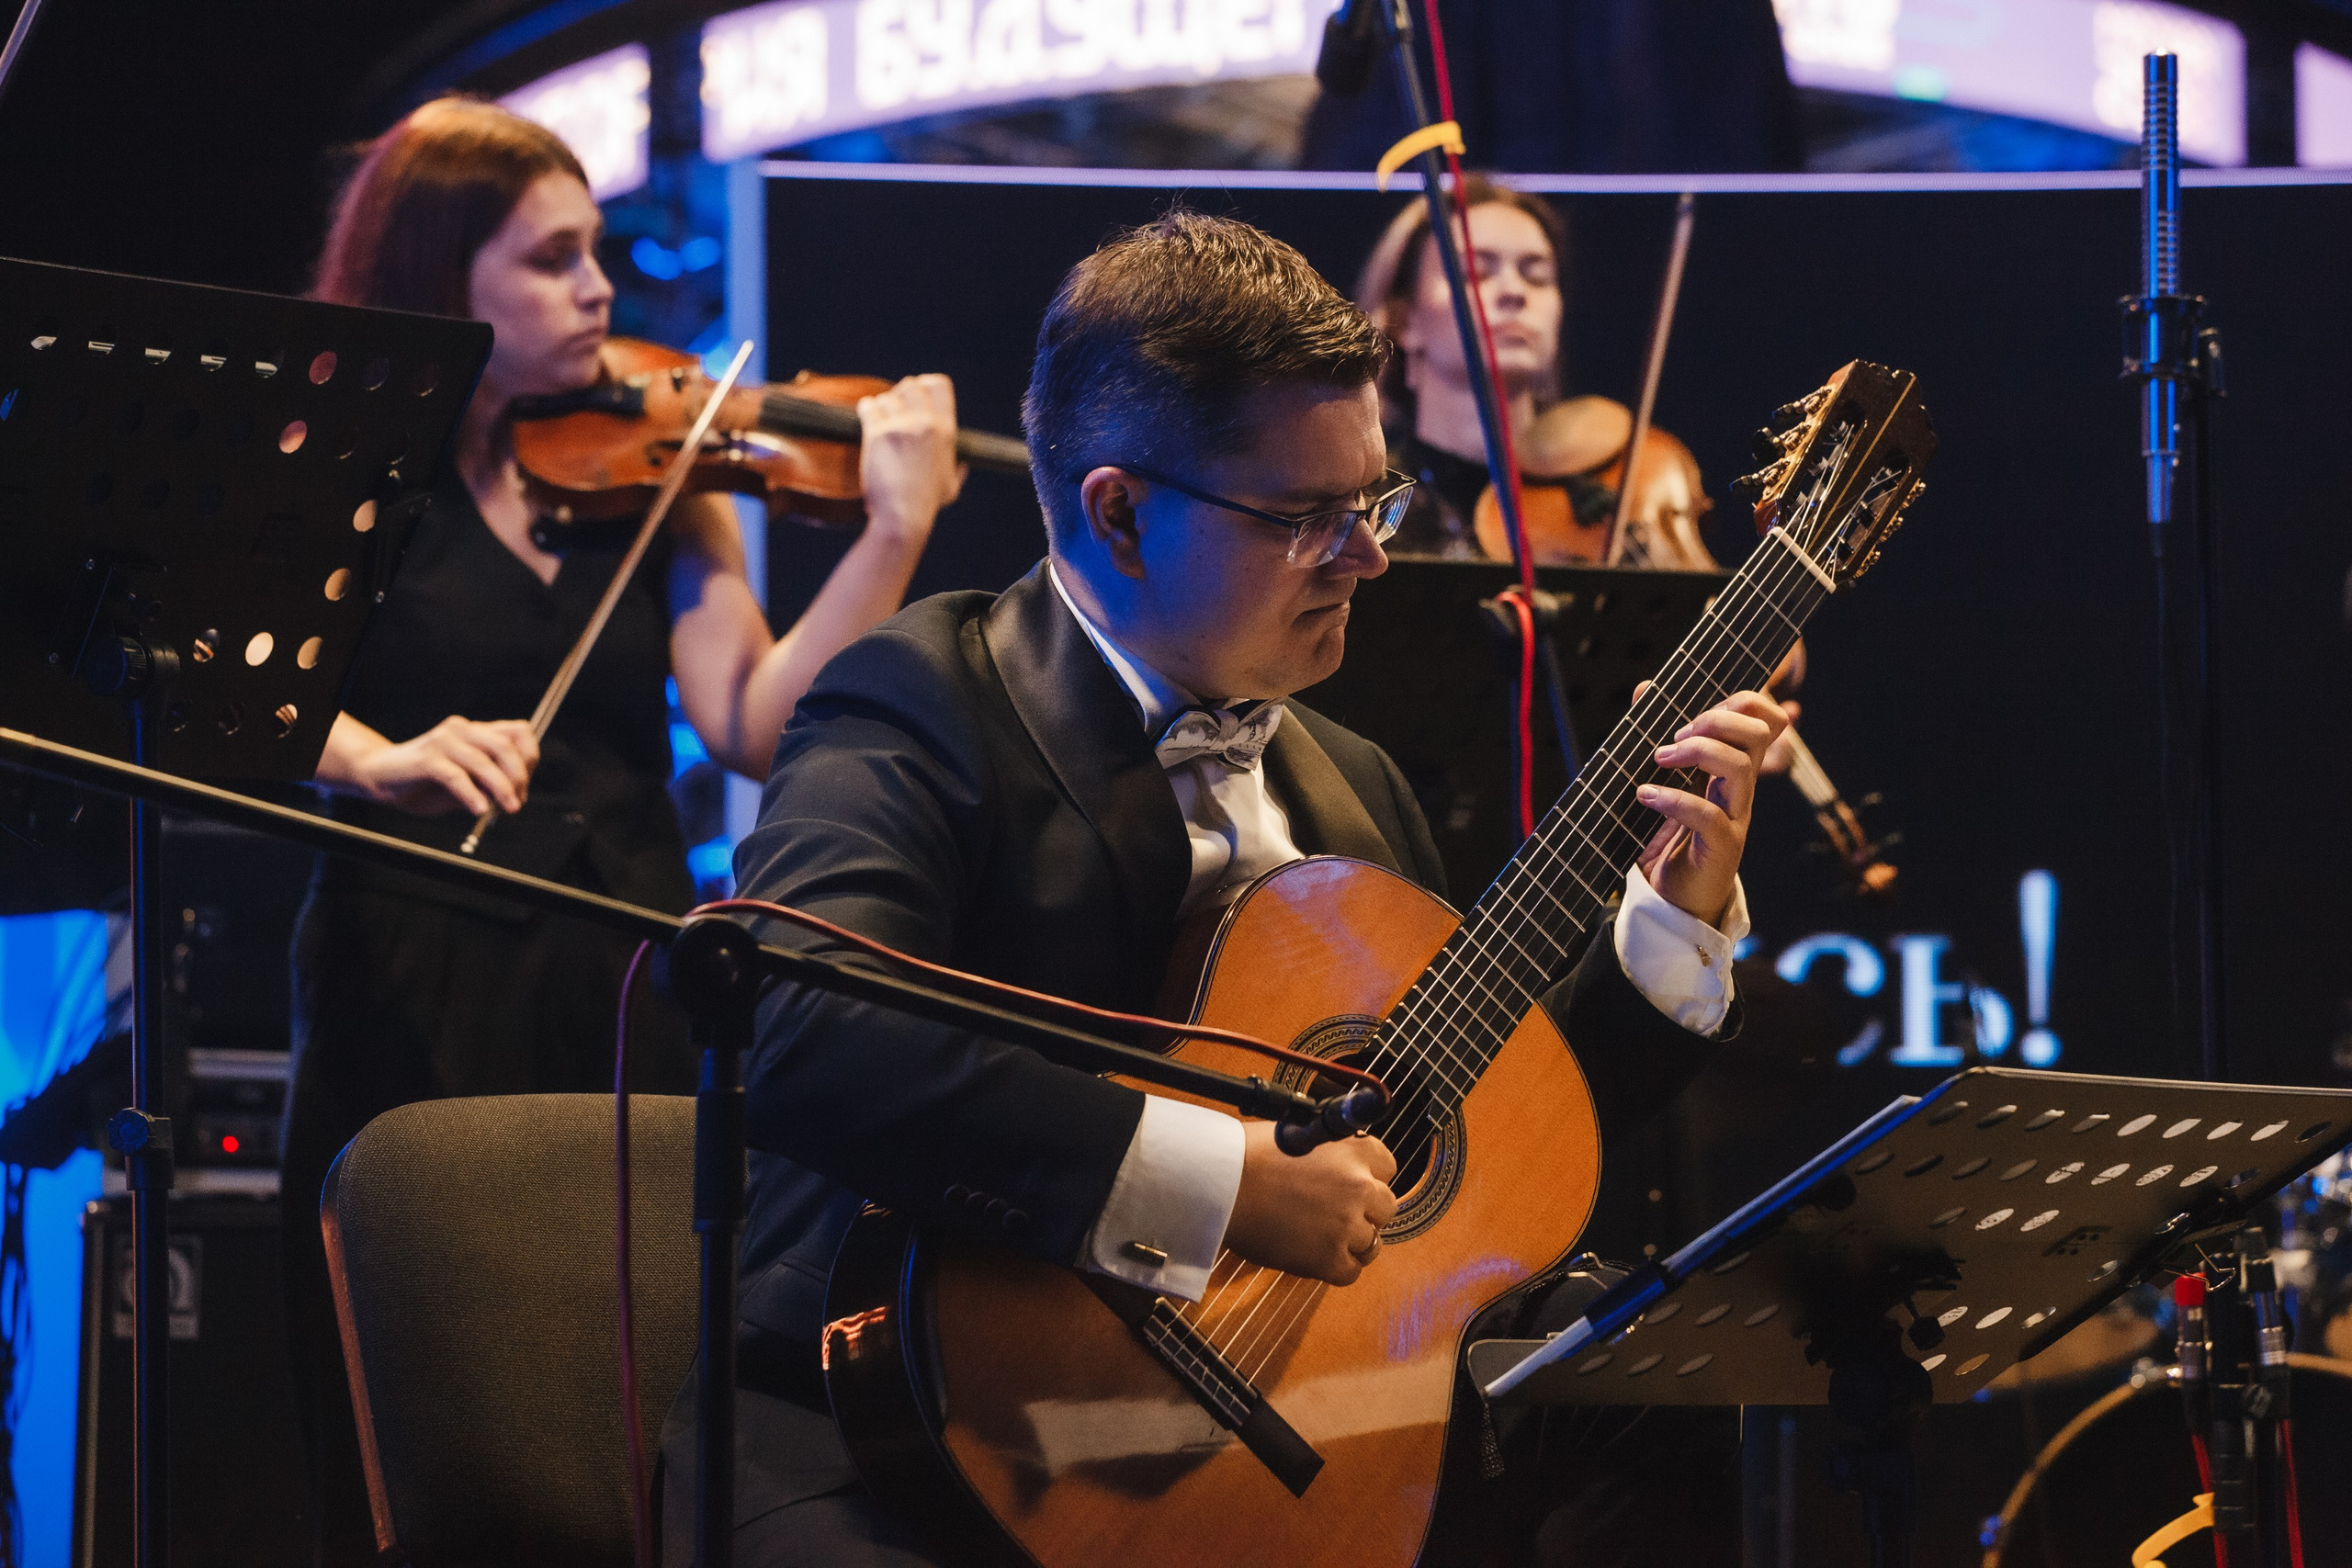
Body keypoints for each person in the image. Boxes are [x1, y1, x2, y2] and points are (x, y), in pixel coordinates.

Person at [676, 210, 1783, 1565]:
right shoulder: (921, 698)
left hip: (1285, 1417)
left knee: (1662, 1384)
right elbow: (811, 1032)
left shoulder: (1354, 784)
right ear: (1120, 512)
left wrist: (1670, 921)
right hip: (905, 1424)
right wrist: (1218, 1183)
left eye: (1368, 501)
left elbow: (1484, 1166)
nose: (1370, 555)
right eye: (1307, 516)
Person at [283, 96, 966, 1564]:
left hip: (630, 968)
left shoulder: (664, 471)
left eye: (595, 251)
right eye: (552, 259)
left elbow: (758, 718)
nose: (600, 287)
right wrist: (383, 758)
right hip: (413, 962)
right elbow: (263, 693)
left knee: (625, 1369)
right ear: (435, 277)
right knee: (421, 1386)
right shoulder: (338, 466)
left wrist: (893, 535)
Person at [1355, 175, 1714, 571]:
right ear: (1405, 321)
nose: (1514, 291)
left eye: (1537, 274)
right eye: (1477, 271)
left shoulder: (1612, 494)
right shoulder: (1366, 508)